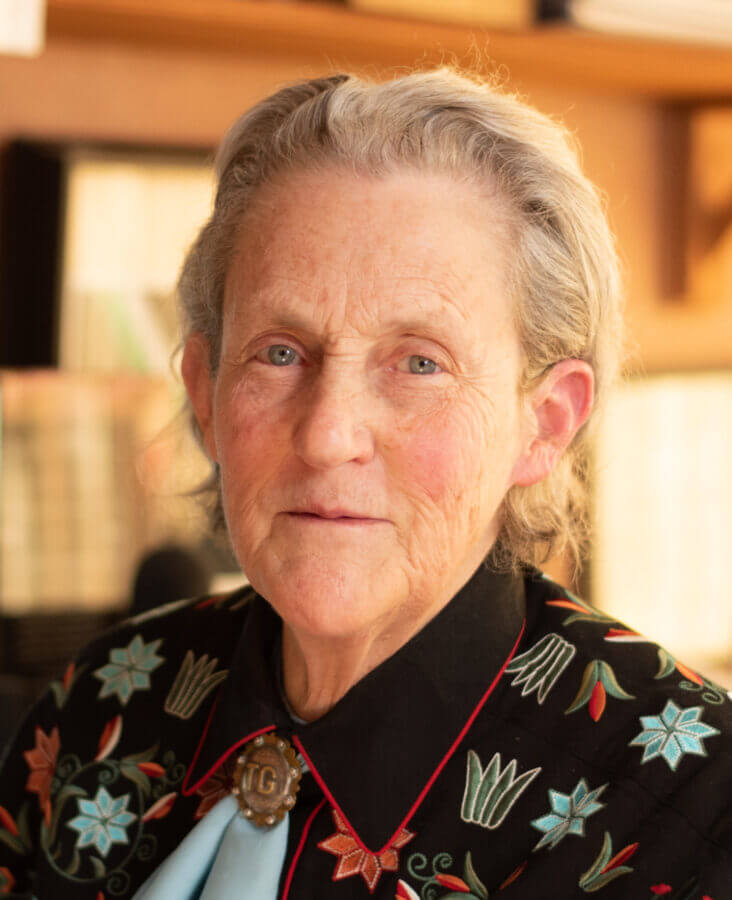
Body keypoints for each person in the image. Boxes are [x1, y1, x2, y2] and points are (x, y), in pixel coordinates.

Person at [0, 68, 729, 900]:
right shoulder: (101, 704)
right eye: (280, 352)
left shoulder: (694, 808)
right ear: (203, 391)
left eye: (420, 363)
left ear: (546, 423)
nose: (327, 434)